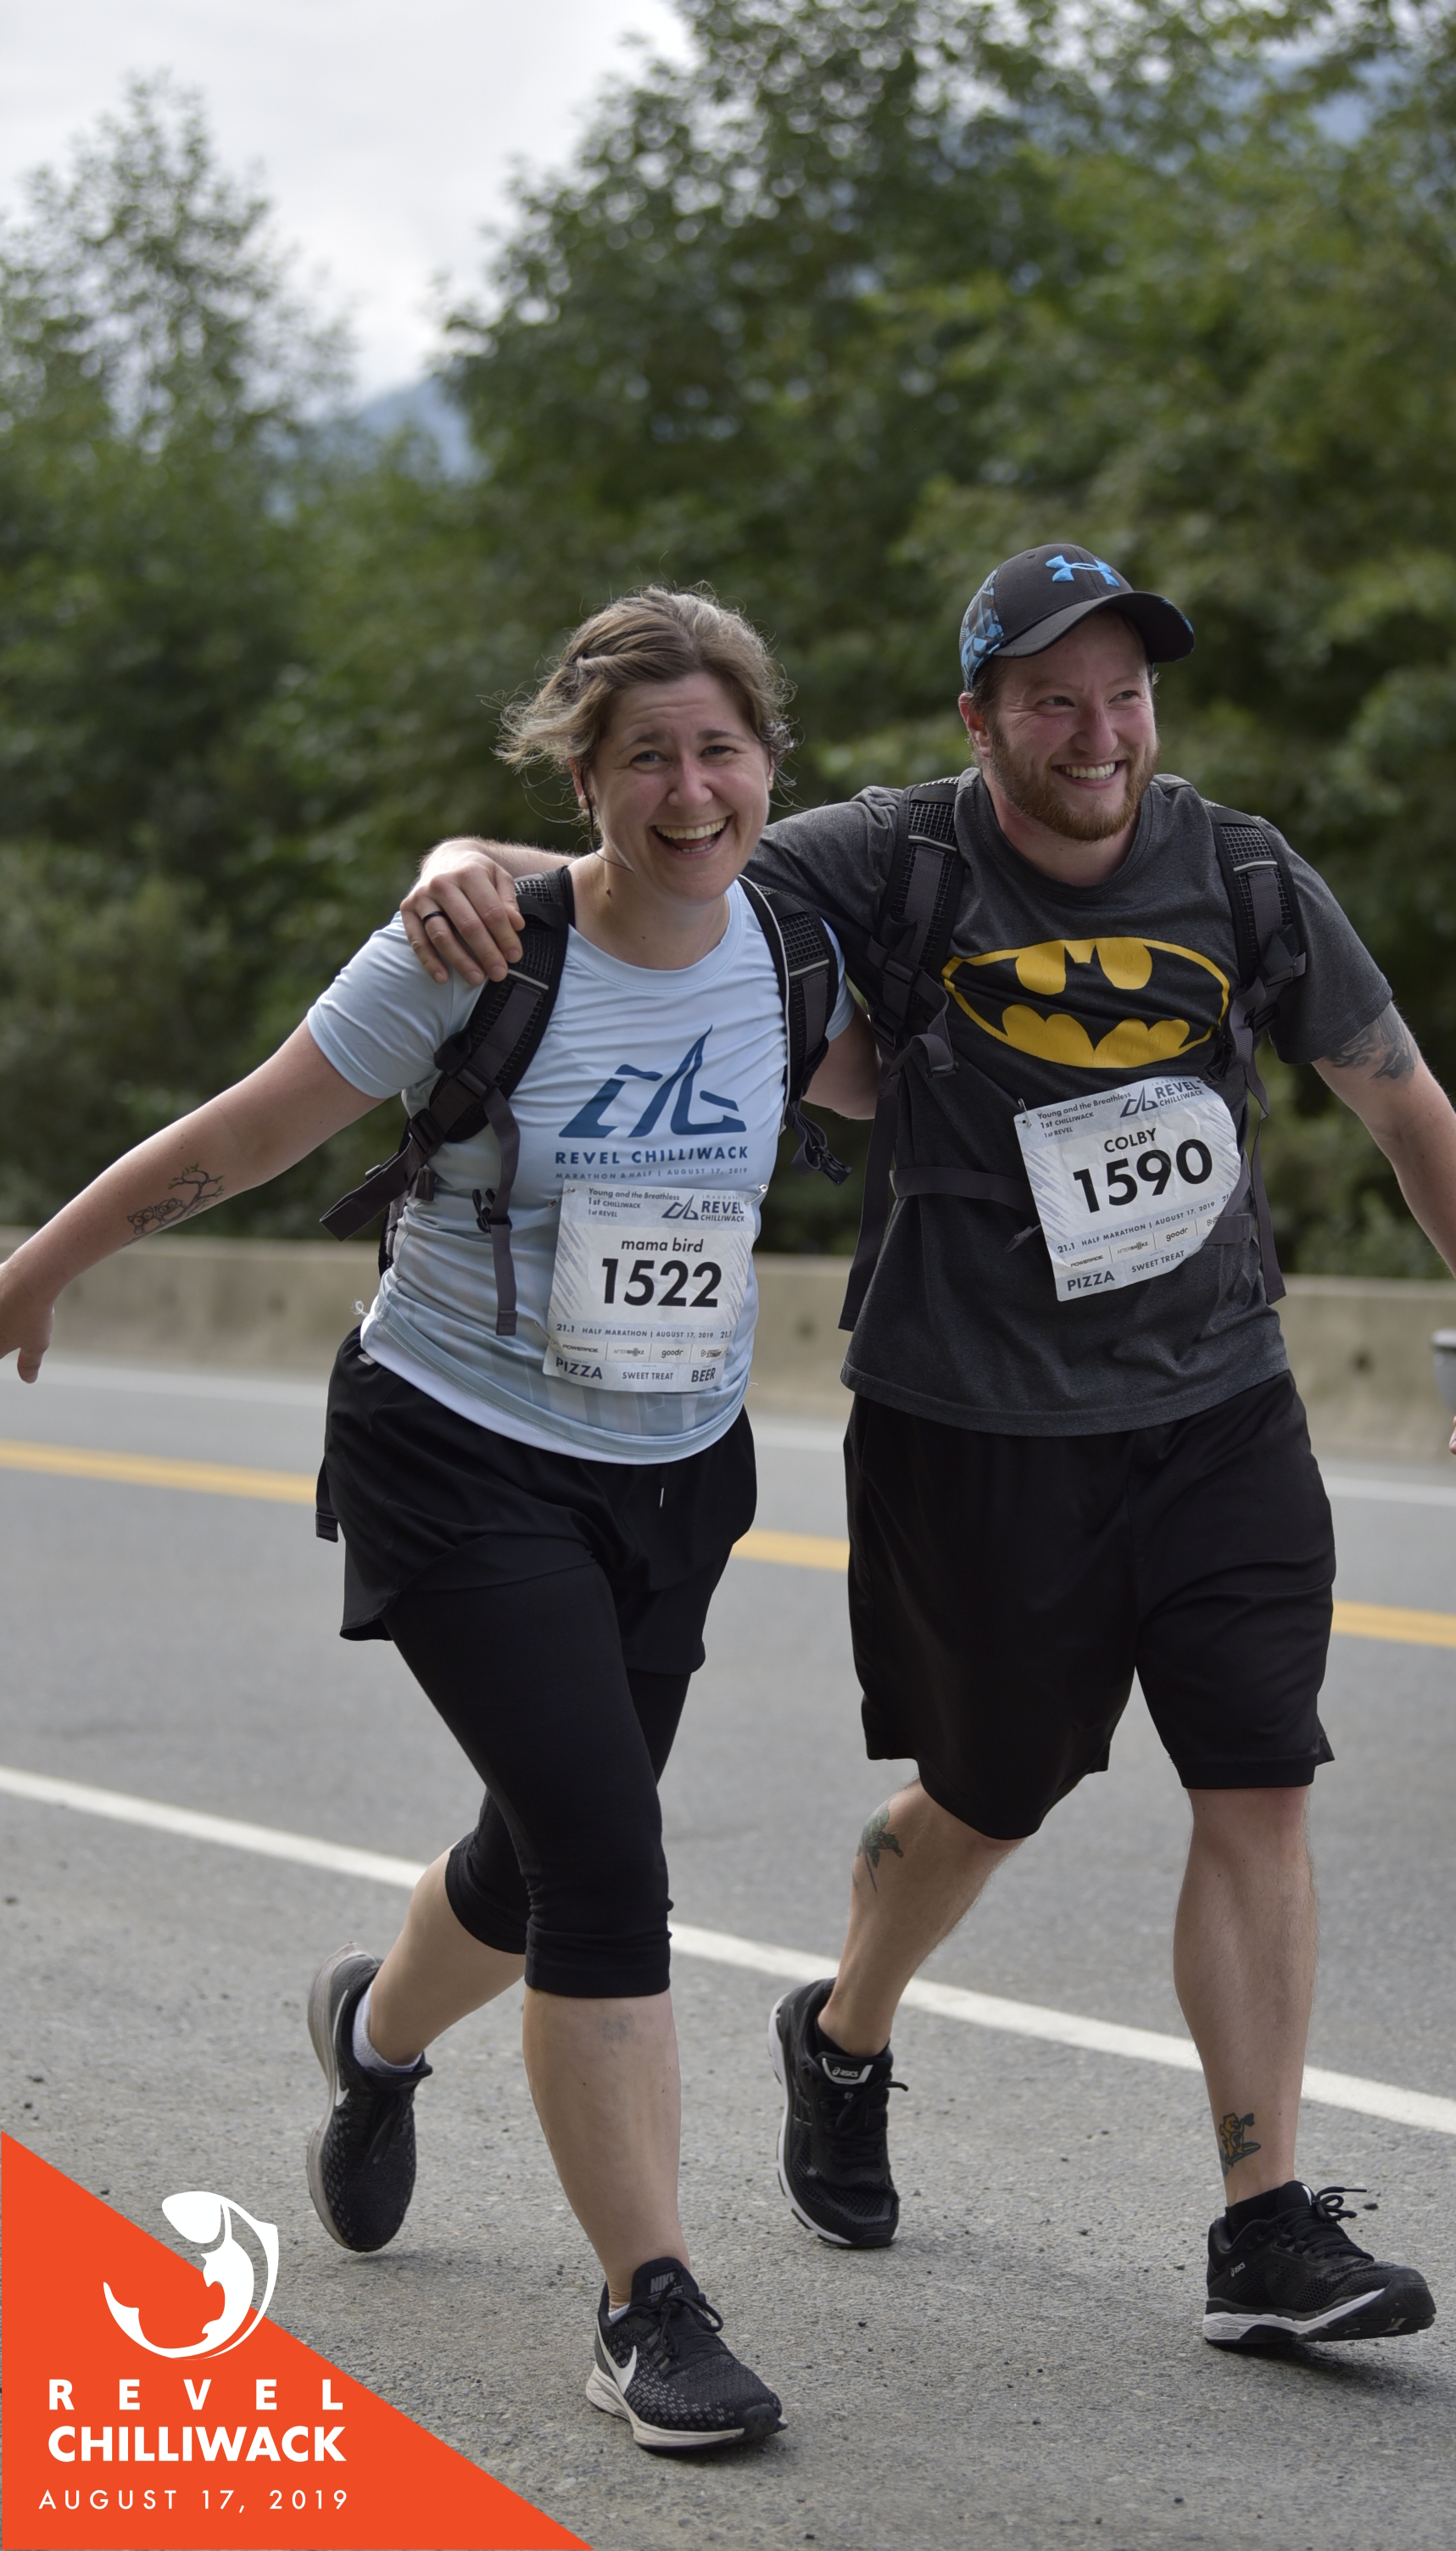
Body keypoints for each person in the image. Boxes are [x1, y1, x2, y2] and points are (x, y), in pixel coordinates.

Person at [397, 542, 1456, 2353]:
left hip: (1218, 1403)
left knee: (1257, 1780)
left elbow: (1397, 1094)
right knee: (991, 1789)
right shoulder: (887, 858)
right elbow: (652, 859)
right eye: (1052, 702)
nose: (1098, 736)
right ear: (979, 717)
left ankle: (1261, 2220)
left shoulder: (1241, 870)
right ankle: (841, 2030)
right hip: (975, 1424)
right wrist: (457, 862)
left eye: (1125, 697)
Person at [0, 585, 877, 2446]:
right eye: (646, 756)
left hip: (677, 1465)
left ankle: (372, 2031)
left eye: (721, 750)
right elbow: (250, 1132)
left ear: (769, 765)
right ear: (584, 777)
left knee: (532, 1854)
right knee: (607, 1858)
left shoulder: (795, 948)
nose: (691, 790)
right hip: (459, 1448)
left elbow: (937, 1077)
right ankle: (650, 2306)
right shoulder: (474, 949)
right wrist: (38, 1267)